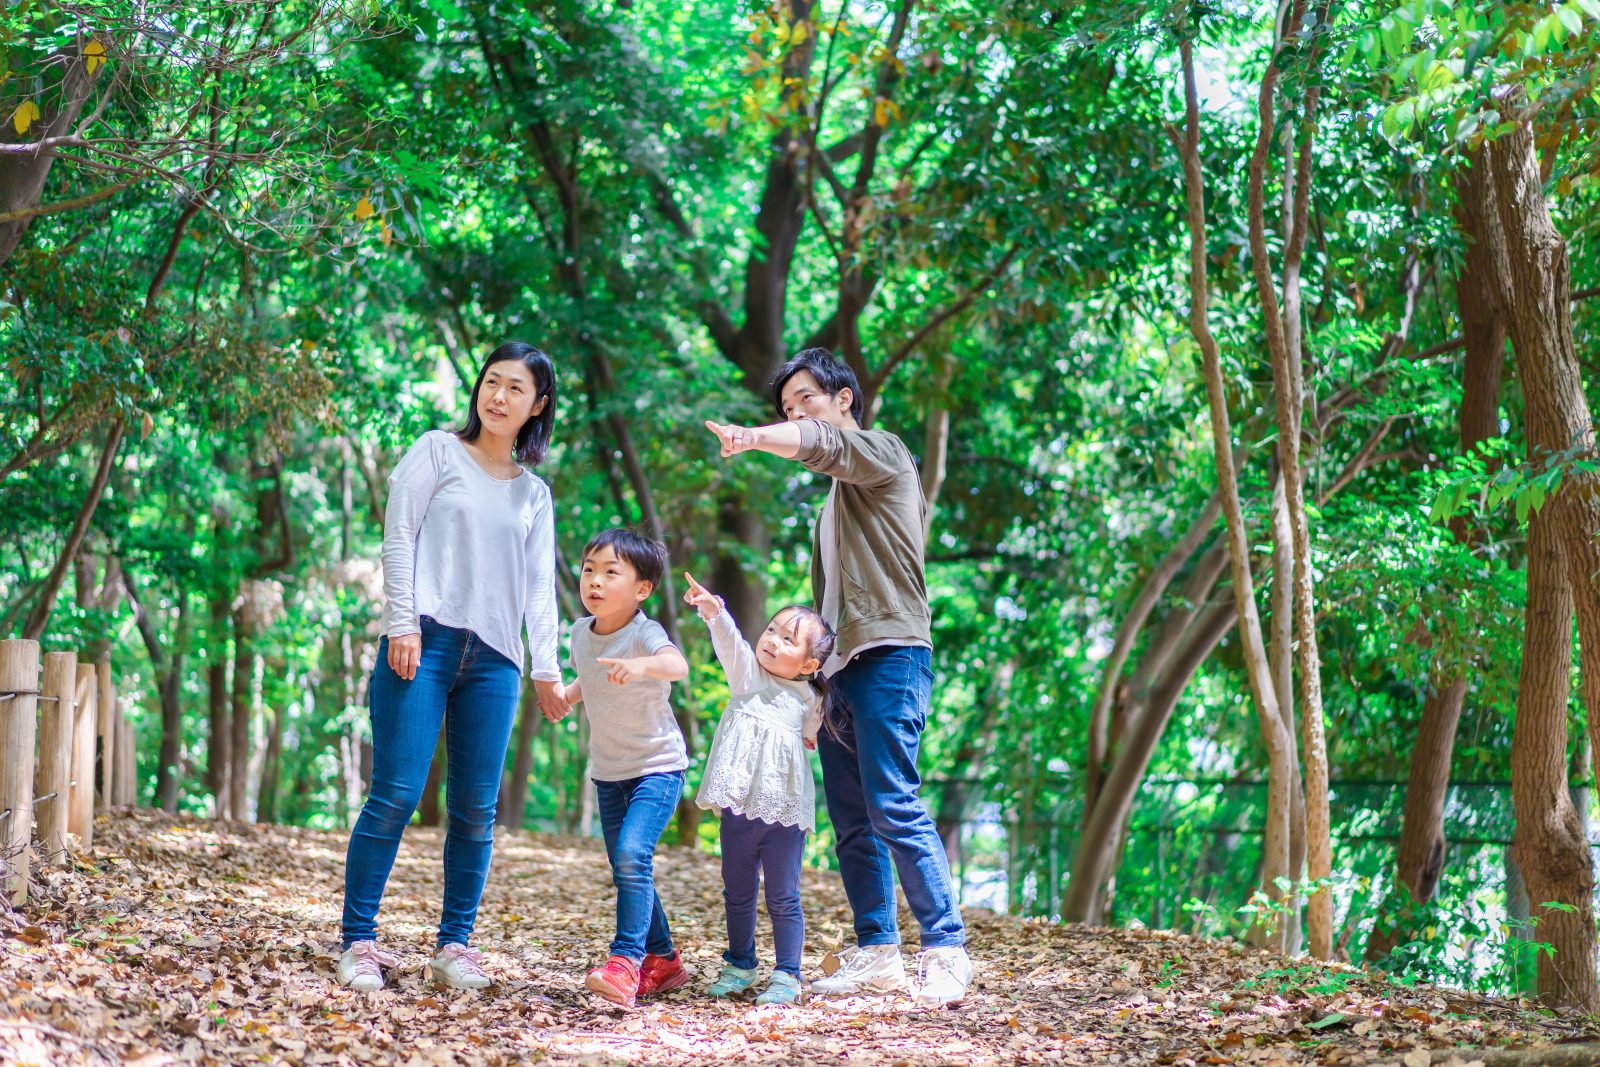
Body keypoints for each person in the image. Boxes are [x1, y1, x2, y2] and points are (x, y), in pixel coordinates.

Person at [703, 347, 973, 1008]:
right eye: (785, 408)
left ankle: (945, 949)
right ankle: (878, 951)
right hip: (839, 674)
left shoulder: (883, 454)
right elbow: (827, 611)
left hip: (891, 653)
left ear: (843, 398)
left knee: (892, 802)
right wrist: (814, 689)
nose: (796, 414)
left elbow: (825, 447)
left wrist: (754, 437)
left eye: (805, 400)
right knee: (852, 821)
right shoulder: (832, 504)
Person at [338, 341, 569, 993]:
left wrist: (546, 668)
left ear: (538, 405)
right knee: (398, 792)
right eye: (491, 382)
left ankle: (454, 945)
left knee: (474, 809)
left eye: (515, 388)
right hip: (426, 640)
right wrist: (402, 621)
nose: (497, 396)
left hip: (495, 660)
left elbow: (538, 590)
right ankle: (358, 941)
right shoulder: (437, 451)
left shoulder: (534, 493)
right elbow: (399, 533)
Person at [551, 528, 690, 1009]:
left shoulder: (643, 632)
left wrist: (642, 667)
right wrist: (565, 698)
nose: (595, 581)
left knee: (632, 856)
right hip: (608, 772)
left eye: (612, 572)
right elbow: (587, 678)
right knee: (625, 866)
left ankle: (625, 961)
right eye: (590, 569)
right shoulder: (577, 634)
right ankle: (666, 960)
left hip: (658, 768)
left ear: (641, 589)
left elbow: (677, 667)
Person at [683, 571, 834, 1006]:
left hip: (784, 814)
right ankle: (740, 963)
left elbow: (814, 736)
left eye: (788, 639)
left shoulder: (812, 699)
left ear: (809, 664)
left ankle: (788, 973)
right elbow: (730, 641)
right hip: (739, 810)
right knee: (738, 890)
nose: (772, 640)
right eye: (772, 630)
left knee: (784, 894)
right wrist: (715, 611)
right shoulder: (748, 677)